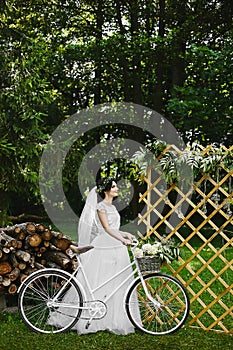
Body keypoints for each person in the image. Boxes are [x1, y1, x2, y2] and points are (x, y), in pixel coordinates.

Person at [74, 177, 136, 335]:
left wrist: (126, 234)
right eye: (113, 186)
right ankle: (96, 316)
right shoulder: (101, 207)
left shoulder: (112, 207)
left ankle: (114, 318)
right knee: (101, 279)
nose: (116, 189)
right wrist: (122, 239)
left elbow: (115, 228)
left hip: (116, 245)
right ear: (106, 190)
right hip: (104, 246)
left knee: (117, 282)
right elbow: (107, 229)